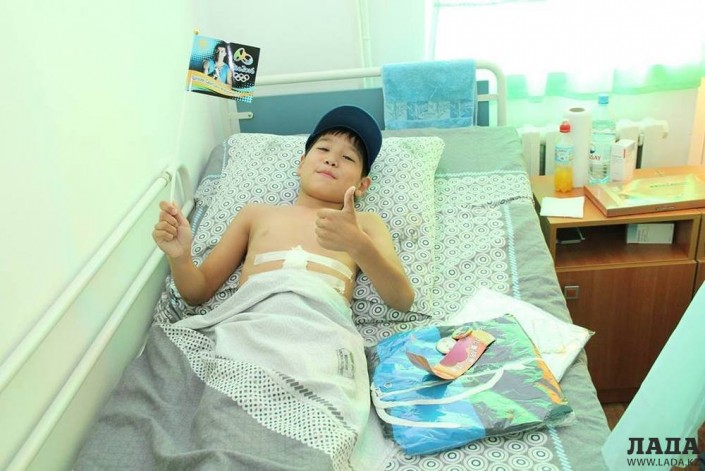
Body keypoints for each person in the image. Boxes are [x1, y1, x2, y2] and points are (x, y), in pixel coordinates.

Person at [153, 105, 414, 312]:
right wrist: (180, 257)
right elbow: (197, 294)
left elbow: (402, 300)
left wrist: (359, 245)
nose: (331, 160)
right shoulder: (256, 214)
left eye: (347, 157)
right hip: (247, 326)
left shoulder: (365, 223)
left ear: (362, 185)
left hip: (321, 332)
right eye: (324, 148)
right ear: (301, 164)